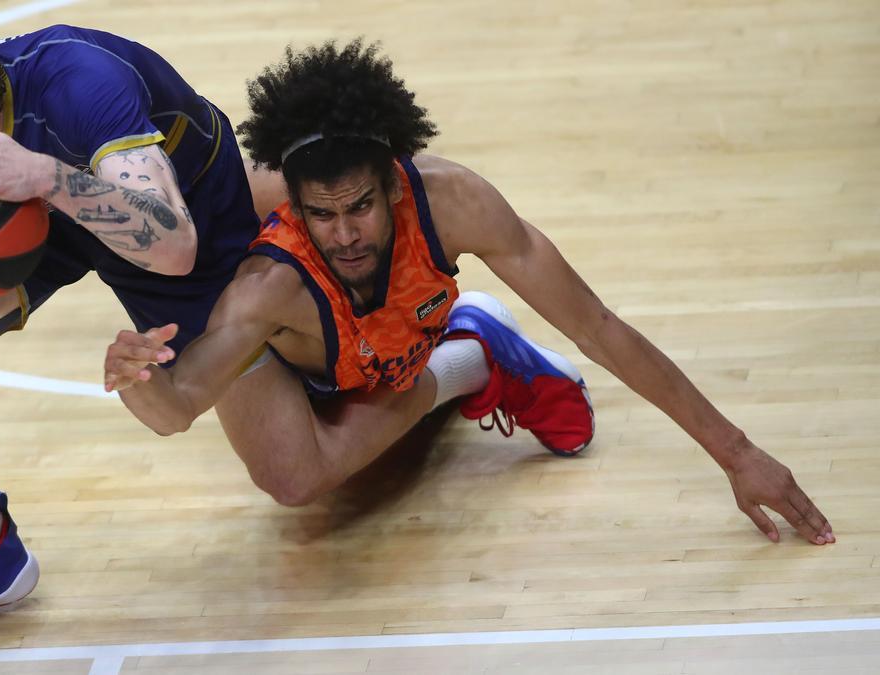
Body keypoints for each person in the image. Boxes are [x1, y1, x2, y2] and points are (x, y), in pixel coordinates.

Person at [104, 39, 835, 555]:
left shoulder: (456, 202)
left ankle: (472, 346)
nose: (345, 233)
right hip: (303, 339)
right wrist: (140, 382)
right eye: (321, 214)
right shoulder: (268, 281)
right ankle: (470, 355)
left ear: (395, 179)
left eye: (360, 206)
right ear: (295, 206)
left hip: (383, 339)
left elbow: (599, 326)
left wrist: (737, 453)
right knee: (295, 482)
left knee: (354, 420)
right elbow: (180, 404)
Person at [0, 0, 261, 659]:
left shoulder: (77, 82)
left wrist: (42, 175)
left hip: (184, 202)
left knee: (291, 463)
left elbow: (174, 243)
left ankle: (445, 341)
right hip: (28, 230)